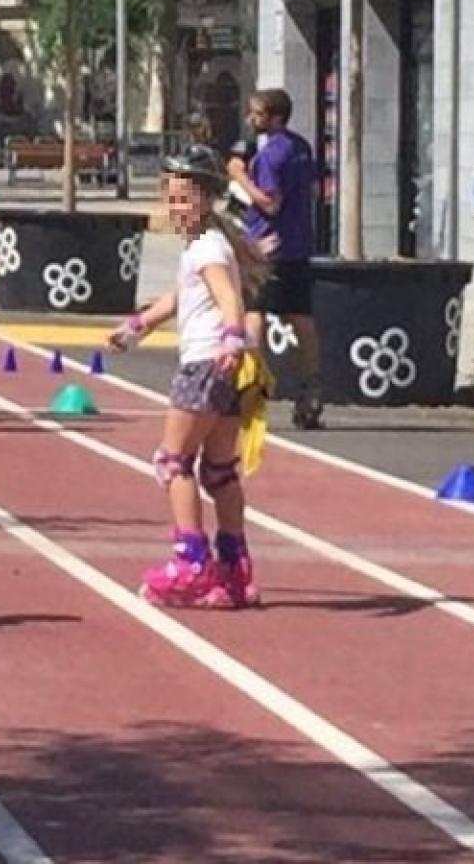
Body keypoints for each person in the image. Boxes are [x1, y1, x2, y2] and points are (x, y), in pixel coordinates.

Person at [106, 145, 270, 609]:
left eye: (183, 198)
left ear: (207, 198)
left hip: (205, 363)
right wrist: (138, 325)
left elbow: (227, 299)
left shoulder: (208, 249)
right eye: (170, 197)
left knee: (173, 462)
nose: (174, 207)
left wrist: (233, 336)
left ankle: (191, 562)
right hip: (225, 368)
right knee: (218, 472)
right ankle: (234, 568)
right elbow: (180, 298)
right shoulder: (204, 244)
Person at [227, 88, 322, 429]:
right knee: (301, 318)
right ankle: (311, 390)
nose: (251, 119)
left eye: (258, 114)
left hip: (268, 246)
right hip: (298, 245)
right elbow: (311, 190)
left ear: (275, 117)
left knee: (255, 314)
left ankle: (252, 391)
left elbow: (270, 203)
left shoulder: (270, 157)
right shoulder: (301, 148)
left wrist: (239, 176)